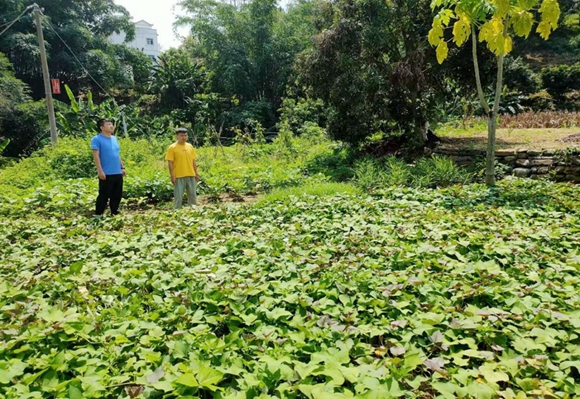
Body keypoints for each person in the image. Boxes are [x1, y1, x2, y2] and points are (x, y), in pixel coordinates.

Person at [91, 118, 126, 216]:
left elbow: (117, 154)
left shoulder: (114, 139)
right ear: (101, 127)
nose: (111, 126)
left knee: (117, 195)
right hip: (106, 173)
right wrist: (100, 171)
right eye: (108, 124)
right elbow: (96, 156)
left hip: (117, 172)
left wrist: (122, 167)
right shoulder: (97, 139)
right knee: (104, 195)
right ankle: (98, 214)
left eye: (112, 124)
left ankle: (114, 212)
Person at [165, 127, 200, 209]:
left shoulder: (190, 146)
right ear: (177, 136)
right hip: (178, 176)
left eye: (185, 135)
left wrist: (196, 173)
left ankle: (194, 211)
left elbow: (193, 161)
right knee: (178, 197)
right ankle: (177, 212)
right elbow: (170, 163)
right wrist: (172, 176)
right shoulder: (172, 148)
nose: (184, 137)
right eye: (181, 135)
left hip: (191, 174)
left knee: (192, 196)